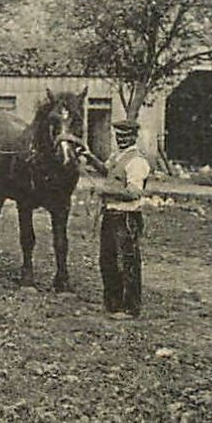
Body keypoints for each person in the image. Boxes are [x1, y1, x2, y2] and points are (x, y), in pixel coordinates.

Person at [92, 118, 152, 320]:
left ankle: (130, 309)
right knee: (107, 260)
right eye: (118, 136)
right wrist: (88, 157)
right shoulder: (117, 156)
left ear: (134, 137)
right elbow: (105, 170)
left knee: (128, 263)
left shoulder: (137, 162)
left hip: (126, 217)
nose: (121, 140)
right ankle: (113, 305)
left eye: (125, 136)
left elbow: (135, 193)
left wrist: (106, 191)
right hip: (111, 215)